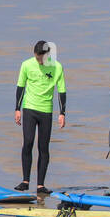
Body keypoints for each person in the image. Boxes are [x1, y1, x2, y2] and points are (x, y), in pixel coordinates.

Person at [14, 40, 66, 195]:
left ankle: (40, 185)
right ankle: (25, 181)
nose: (39, 61)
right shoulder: (26, 65)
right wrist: (17, 109)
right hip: (29, 108)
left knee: (43, 147)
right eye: (36, 58)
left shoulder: (57, 67)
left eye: (41, 58)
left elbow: (61, 91)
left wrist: (62, 113)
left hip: (46, 111)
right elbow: (20, 87)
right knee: (28, 142)